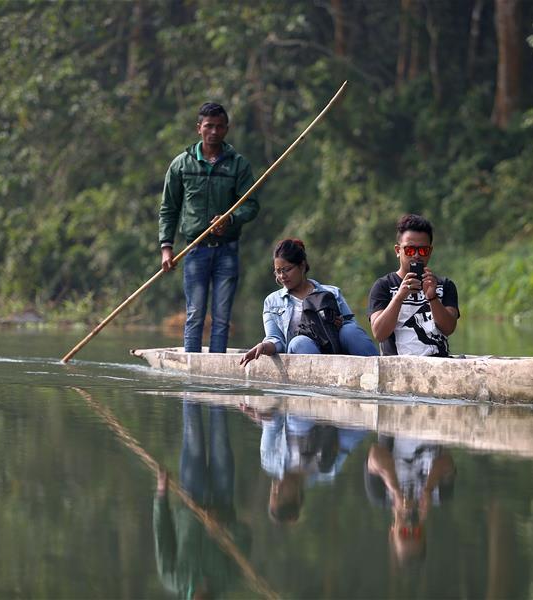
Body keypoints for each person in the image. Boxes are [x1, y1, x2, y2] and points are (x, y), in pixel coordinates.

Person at [159, 102, 259, 353]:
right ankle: (193, 370)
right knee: (194, 314)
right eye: (209, 126)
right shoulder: (182, 165)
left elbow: (251, 206)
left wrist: (231, 219)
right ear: (199, 128)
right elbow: (168, 209)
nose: (214, 131)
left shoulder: (238, 165)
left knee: (222, 318)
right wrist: (166, 248)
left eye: (219, 126)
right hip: (195, 250)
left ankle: (215, 371)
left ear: (227, 129)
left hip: (227, 250)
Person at [153, 402, 251, 598]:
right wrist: (222, 525)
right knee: (220, 428)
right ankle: (221, 380)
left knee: (192, 431)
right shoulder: (228, 579)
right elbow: (244, 536)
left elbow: (162, 533)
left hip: (191, 495)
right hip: (223, 497)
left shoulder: (173, 578)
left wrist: (161, 494)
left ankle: (191, 382)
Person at [239, 238, 378, 366]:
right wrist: (263, 346)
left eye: (287, 270)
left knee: (350, 330)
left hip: (335, 348)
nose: (282, 276)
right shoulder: (272, 302)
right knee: (299, 341)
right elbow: (276, 340)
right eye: (278, 271)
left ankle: (377, 368)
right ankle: (322, 382)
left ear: (302, 266)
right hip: (304, 352)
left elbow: (350, 325)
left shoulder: (332, 293)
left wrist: (339, 323)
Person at [368, 214, 459, 356]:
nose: (416, 255)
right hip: (398, 367)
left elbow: (448, 328)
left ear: (430, 252)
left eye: (423, 250)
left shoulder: (444, 285)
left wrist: (433, 298)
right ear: (398, 251)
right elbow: (379, 333)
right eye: (410, 250)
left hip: (439, 365)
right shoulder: (384, 286)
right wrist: (399, 297)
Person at [364, 435, 457, 567]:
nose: (410, 527)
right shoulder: (440, 496)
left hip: (397, 425)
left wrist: (395, 489)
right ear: (424, 532)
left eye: (405, 533)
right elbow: (448, 462)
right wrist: (429, 488)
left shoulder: (380, 495)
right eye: (416, 533)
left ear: (392, 532)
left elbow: (375, 454)